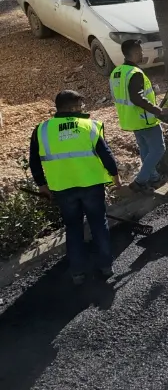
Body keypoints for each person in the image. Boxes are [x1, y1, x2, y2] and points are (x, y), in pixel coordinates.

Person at [29, 90, 121, 285]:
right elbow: (106, 154)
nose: (82, 109)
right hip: (91, 186)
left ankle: (77, 272)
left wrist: (42, 186)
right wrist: (115, 178)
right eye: (80, 106)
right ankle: (105, 266)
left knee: (73, 228)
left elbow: (34, 161)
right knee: (98, 224)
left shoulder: (42, 130)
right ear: (72, 107)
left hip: (63, 188)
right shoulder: (89, 126)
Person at [109, 39, 168, 191]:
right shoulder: (135, 73)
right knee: (158, 149)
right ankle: (140, 181)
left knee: (145, 149)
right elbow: (136, 98)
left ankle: (154, 178)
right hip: (145, 119)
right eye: (140, 51)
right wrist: (158, 111)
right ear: (135, 53)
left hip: (130, 119)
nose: (142, 54)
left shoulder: (117, 72)